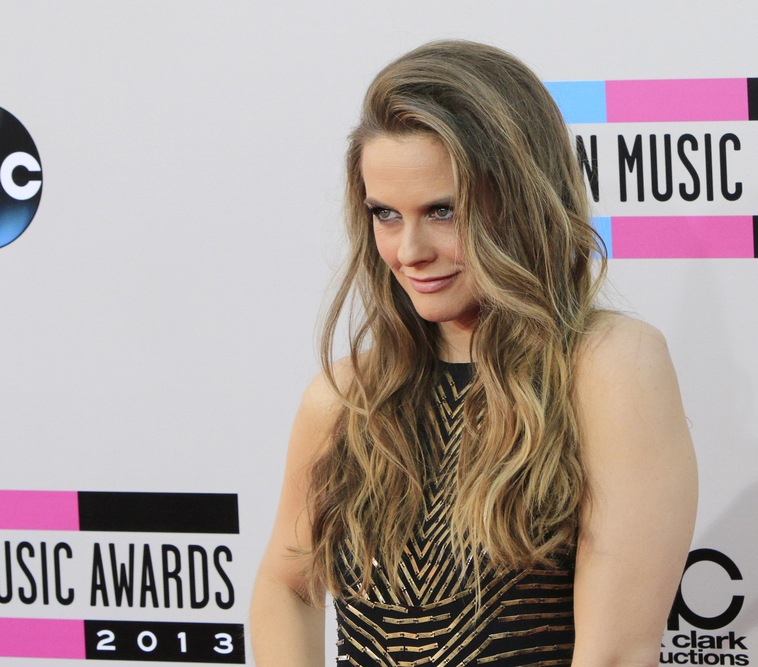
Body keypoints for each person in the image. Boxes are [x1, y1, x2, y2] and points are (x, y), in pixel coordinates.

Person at [250, 40, 697, 667]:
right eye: (386, 214)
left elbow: (617, 653)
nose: (409, 251)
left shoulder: (606, 367)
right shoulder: (347, 397)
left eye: (443, 211)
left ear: (523, 200)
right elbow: (288, 584)